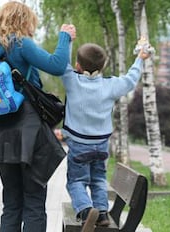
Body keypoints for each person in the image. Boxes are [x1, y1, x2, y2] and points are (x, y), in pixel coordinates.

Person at [0, 2, 75, 232]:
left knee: (11, 204)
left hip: (0, 133)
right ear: (23, 20)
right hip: (28, 130)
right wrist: (65, 37)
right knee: (34, 202)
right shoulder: (20, 43)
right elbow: (57, 65)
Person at [60, 41, 152, 231]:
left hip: (78, 145)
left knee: (76, 181)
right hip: (101, 145)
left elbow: (62, 63)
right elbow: (131, 79)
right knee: (98, 180)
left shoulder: (72, 80)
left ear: (78, 65)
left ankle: (86, 212)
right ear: (102, 67)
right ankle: (101, 212)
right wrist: (139, 59)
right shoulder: (111, 84)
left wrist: (67, 40)